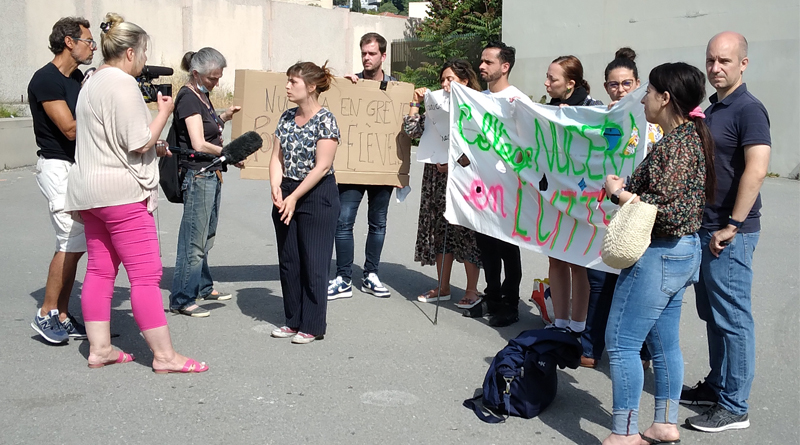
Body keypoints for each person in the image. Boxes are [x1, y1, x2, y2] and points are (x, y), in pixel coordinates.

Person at [64, 13, 208, 373]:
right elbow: (137, 140)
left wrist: (151, 145)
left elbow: (111, 139)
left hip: (89, 192)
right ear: (129, 52)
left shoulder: (92, 81)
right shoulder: (122, 84)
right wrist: (163, 112)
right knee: (145, 276)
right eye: (144, 52)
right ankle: (164, 355)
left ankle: (100, 349)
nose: (145, 60)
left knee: (99, 270)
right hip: (121, 194)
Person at [601, 62, 715, 445]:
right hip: (682, 254)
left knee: (621, 342)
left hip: (660, 254)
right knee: (664, 343)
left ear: (665, 98)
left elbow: (665, 211)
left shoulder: (679, 145)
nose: (644, 98)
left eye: (649, 91)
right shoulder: (688, 138)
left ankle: (624, 432)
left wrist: (619, 193)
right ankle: (664, 423)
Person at [682, 31, 771, 433]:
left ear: (743, 64)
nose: (716, 68)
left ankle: (735, 406)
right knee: (714, 316)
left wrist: (732, 224)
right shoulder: (711, 108)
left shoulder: (749, 109)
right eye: (711, 61)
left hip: (728, 233)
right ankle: (717, 386)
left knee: (733, 318)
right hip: (706, 228)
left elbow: (757, 169)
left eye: (725, 61)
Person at [580, 48, 659, 369]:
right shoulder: (598, 118)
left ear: (639, 84)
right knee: (598, 281)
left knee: (639, 286)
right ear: (605, 87)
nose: (620, 90)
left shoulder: (652, 120)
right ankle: (590, 347)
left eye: (627, 84)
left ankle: (641, 352)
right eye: (613, 85)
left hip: (639, 212)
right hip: (604, 211)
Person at [27, 17, 96, 344]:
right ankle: (45, 313)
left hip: (75, 166)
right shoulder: (46, 80)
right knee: (68, 239)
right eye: (88, 41)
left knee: (77, 244)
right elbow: (69, 128)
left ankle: (63, 314)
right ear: (69, 42)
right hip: (56, 166)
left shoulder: (77, 78)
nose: (92, 47)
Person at [270, 61, 340, 344]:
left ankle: (312, 324)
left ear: (311, 87)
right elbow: (276, 155)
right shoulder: (286, 117)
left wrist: (295, 196)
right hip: (286, 191)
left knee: (314, 261)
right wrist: (276, 184)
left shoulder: (326, 120)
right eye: (287, 80)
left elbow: (322, 166)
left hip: (316, 194)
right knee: (289, 260)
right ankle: (293, 319)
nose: (287, 86)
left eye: (293, 82)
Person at [403, 59, 483, 307]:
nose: (445, 84)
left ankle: (472, 289)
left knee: (467, 231)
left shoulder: (476, 107)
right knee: (440, 230)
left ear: (465, 81)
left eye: (451, 79)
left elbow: (481, 145)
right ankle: (443, 285)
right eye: (443, 79)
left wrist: (455, 162)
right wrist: (416, 103)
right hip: (435, 176)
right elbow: (412, 131)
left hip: (464, 176)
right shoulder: (435, 104)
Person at [168, 47, 241, 317]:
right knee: (193, 240)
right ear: (196, 73)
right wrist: (230, 153)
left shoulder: (202, 95)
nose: (216, 83)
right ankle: (182, 298)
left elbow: (206, 131)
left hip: (212, 173)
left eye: (219, 77)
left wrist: (223, 117)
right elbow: (198, 143)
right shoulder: (188, 97)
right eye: (212, 78)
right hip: (198, 176)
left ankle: (202, 285)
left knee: (206, 236)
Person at [328, 33, 397, 300]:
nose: (367, 58)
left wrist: (416, 99)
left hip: (382, 167)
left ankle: (371, 274)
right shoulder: (351, 84)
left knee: (378, 224)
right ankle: (343, 277)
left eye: (371, 53)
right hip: (353, 168)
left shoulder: (396, 89)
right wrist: (342, 88)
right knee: (343, 222)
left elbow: (407, 128)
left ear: (383, 56)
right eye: (363, 53)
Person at [543, 55, 602, 338]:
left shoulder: (593, 109)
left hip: (583, 198)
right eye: (548, 77)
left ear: (571, 83)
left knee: (579, 261)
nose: (547, 83)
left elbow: (605, 141)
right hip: (553, 196)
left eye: (552, 79)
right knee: (555, 258)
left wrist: (576, 121)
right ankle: (559, 321)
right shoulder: (546, 110)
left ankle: (578, 326)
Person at [471, 41, 528, 327]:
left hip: (509, 188)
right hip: (481, 186)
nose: (482, 66)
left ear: (505, 67)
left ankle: (510, 302)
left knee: (508, 247)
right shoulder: (478, 98)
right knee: (486, 246)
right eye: (481, 61)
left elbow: (529, 144)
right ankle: (491, 295)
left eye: (488, 62)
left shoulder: (518, 101)